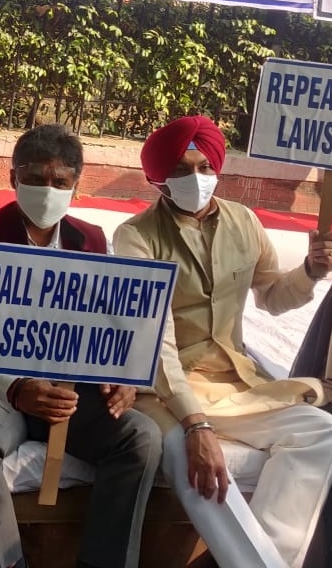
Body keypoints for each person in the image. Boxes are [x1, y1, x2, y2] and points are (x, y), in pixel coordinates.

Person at [113, 114, 332, 568]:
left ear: (217, 168)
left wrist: (310, 271)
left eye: (204, 167)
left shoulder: (245, 222)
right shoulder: (135, 237)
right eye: (180, 170)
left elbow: (272, 296)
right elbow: (156, 342)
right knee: (196, 464)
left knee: (323, 435)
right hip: (167, 392)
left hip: (235, 382)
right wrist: (196, 426)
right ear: (158, 181)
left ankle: (267, 558)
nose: (196, 178)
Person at [0, 123, 162, 568]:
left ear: (76, 187)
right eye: (36, 178)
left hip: (71, 395)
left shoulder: (94, 241)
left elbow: (114, 325)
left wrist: (123, 378)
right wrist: (16, 386)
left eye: (60, 182)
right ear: (13, 178)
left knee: (142, 437)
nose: (48, 190)